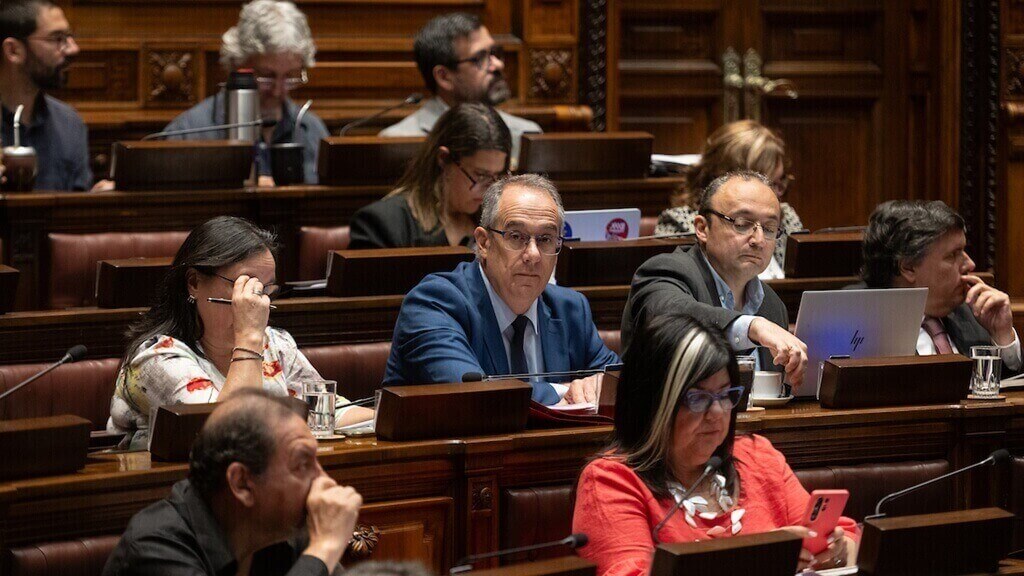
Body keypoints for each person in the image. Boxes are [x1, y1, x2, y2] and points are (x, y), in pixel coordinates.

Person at [573, 312, 858, 576]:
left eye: (725, 395)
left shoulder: (757, 456)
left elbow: (847, 537)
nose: (718, 413)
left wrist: (835, 551)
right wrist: (753, 559)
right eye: (698, 398)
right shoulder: (611, 480)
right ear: (653, 403)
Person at [108, 216, 372, 450]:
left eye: (265, 290)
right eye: (244, 286)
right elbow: (230, 437)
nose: (258, 302)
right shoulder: (156, 358)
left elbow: (328, 414)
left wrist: (383, 416)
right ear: (194, 283)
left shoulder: (275, 343)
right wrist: (248, 338)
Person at [383, 174, 620, 405]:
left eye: (546, 239)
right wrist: (565, 391)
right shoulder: (435, 304)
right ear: (484, 242)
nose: (533, 254)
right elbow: (474, 397)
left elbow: (619, 381)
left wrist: (601, 385)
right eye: (516, 236)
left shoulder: (569, 309)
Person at [103, 389, 363, 576]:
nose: (324, 480)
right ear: (242, 483)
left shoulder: (285, 529)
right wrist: (324, 549)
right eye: (302, 465)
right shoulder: (154, 549)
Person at [622, 170, 808, 388]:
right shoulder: (666, 271)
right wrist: (751, 326)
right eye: (742, 223)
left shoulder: (773, 306)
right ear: (702, 228)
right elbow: (670, 316)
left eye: (769, 228)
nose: (758, 240)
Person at [162, 0, 329, 185]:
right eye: (266, 76)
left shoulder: (312, 130)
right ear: (237, 64)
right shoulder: (187, 133)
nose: (277, 91)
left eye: (289, 77)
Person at [861, 200, 1021, 370]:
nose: (970, 264)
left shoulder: (975, 314)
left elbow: (1004, 383)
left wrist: (1003, 337)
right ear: (908, 267)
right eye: (952, 255)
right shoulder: (862, 324)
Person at [379, 13, 541, 163]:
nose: (498, 64)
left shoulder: (524, 135)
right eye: (479, 58)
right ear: (444, 77)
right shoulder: (399, 141)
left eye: (494, 52)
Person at [349, 103, 511, 249]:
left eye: (497, 176)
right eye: (480, 175)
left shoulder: (498, 221)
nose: (489, 188)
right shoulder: (384, 224)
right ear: (444, 159)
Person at [654, 120, 802, 278]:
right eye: (742, 224)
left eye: (780, 183)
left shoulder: (786, 218)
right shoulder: (678, 224)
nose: (776, 194)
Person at [0, 0, 111, 191]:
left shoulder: (69, 123)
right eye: (57, 39)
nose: (73, 49)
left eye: (69, 37)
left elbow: (74, 205)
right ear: (13, 50)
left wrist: (97, 200)